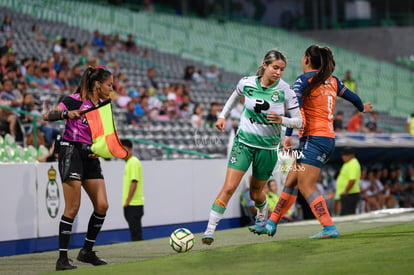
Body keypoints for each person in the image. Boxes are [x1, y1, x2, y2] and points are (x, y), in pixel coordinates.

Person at [263, 45, 373, 239]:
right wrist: (362, 108)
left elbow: (294, 107)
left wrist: (288, 134)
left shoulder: (304, 79)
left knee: (306, 187)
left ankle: (328, 227)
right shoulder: (332, 81)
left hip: (313, 139)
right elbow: (353, 97)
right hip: (325, 138)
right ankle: (271, 223)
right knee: (291, 181)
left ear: (306, 60)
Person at [201, 49, 303, 245]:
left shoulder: (285, 90)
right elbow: (233, 97)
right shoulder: (246, 83)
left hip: (267, 149)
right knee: (229, 187)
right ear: (265, 65)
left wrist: (282, 120)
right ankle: (210, 230)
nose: (278, 72)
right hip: (243, 144)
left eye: (282, 69)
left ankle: (262, 212)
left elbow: (299, 122)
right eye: (275, 67)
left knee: (256, 194)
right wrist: (222, 116)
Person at [43, 67, 114, 270]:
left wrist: (100, 150)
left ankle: (86, 251)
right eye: (109, 84)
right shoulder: (74, 98)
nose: (112, 88)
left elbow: (104, 136)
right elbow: (46, 116)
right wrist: (67, 114)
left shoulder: (104, 106)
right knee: (72, 208)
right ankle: (62, 259)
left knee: (102, 206)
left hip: (90, 155)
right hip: (70, 152)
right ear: (97, 84)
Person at [121, 139, 144, 241]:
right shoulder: (129, 162)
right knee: (135, 232)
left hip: (133, 203)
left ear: (130, 149)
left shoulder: (133, 162)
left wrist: (127, 201)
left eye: (124, 149)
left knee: (136, 234)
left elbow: (134, 182)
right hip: (132, 203)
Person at [336, 147, 361, 216]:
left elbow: (352, 180)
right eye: (343, 155)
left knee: (347, 215)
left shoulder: (353, 164)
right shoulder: (348, 163)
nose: (343, 157)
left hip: (350, 194)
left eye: (346, 155)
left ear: (352, 155)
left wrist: (346, 191)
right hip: (347, 194)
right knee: (345, 214)